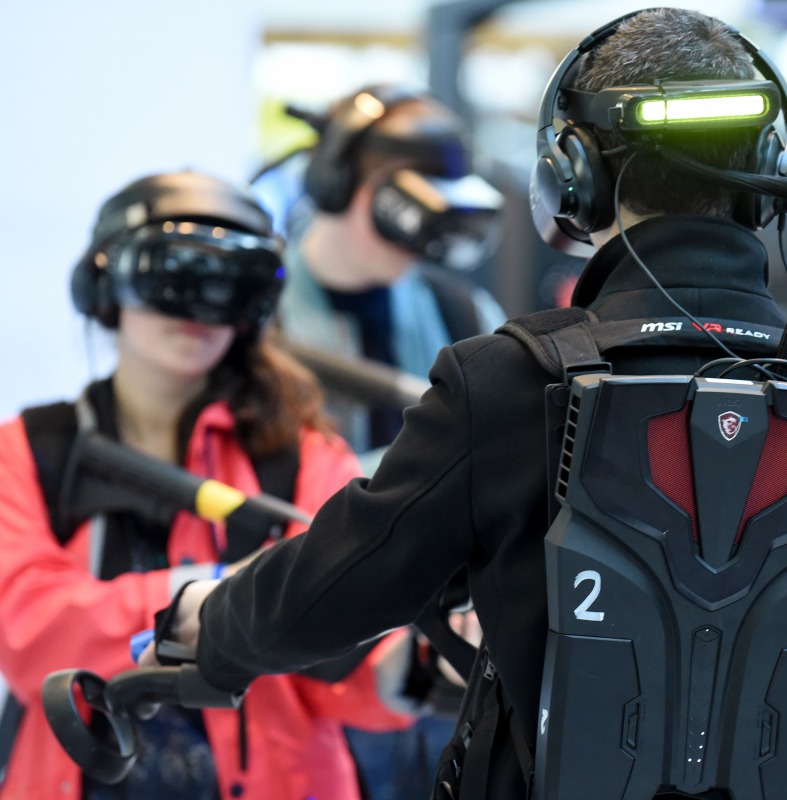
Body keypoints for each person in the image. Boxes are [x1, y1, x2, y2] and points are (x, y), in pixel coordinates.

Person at [144, 9, 787, 799]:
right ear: (774, 170)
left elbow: (330, 590)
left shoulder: (505, 380)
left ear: (574, 176)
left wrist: (204, 624)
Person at [0, 171, 411, 800]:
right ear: (106, 284)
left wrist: (419, 666)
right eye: (174, 278)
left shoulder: (301, 457)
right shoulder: (28, 451)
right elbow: (33, 635)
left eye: (229, 288)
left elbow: (345, 663)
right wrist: (220, 592)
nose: (198, 310)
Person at [264, 83, 510, 800]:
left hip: (439, 659)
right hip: (310, 651)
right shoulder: (255, 320)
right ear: (344, 181)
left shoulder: (461, 308)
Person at [271, 83, 508, 466]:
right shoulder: (258, 321)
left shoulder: (465, 315)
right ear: (337, 186)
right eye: (404, 211)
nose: (416, 243)